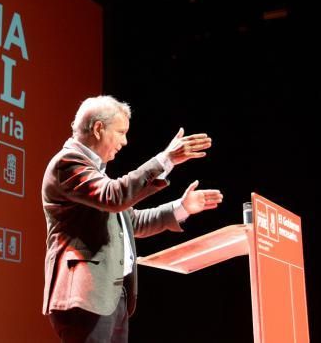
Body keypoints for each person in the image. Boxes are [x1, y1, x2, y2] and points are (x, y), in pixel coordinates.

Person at [42, 95, 223, 343]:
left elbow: (132, 222)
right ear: (98, 129)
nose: (125, 141)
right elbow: (115, 196)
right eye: (121, 132)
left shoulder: (95, 174)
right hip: (86, 297)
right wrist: (166, 159)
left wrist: (182, 208)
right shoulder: (67, 164)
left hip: (112, 296)